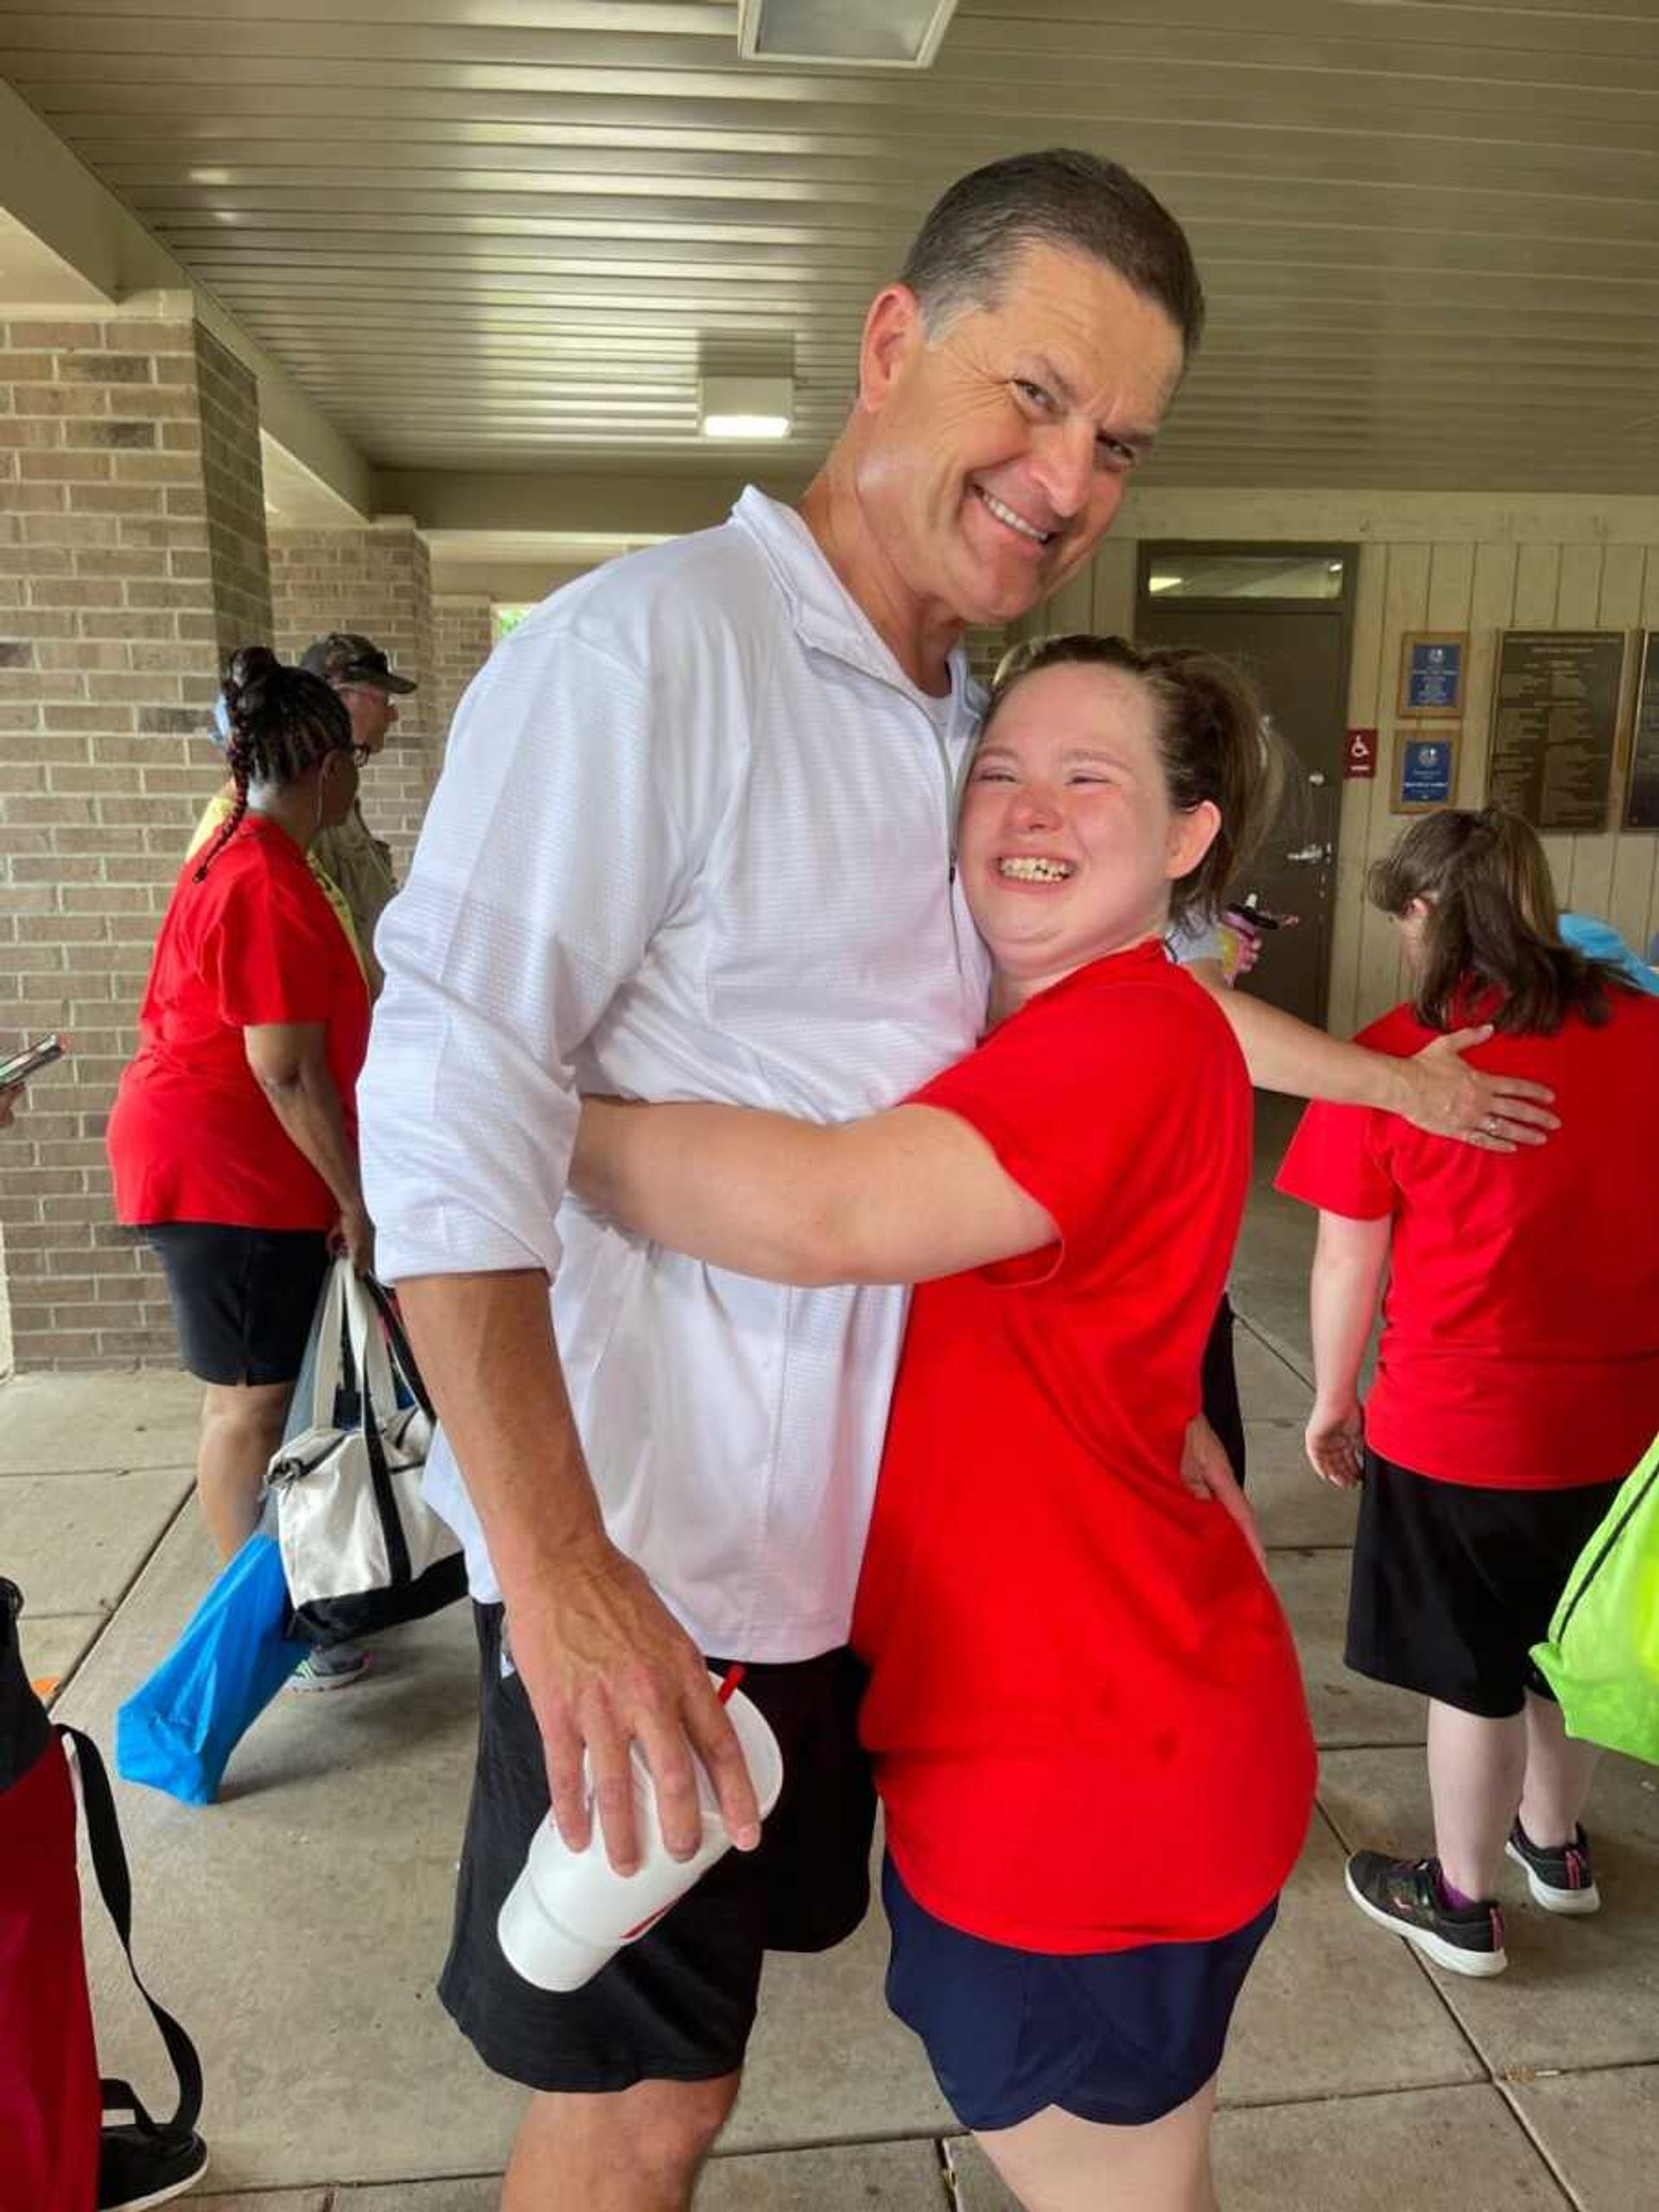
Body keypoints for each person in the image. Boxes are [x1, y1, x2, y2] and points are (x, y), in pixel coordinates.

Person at [359, 149, 1552, 2212]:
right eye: (1032, 392)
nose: (1069, 470)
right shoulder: (658, 650)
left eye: (1115, 440)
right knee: (633, 2102)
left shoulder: (961, 726)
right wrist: (555, 1571)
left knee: (705, 2084)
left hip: (862, 1599)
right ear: (893, 342)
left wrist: (1198, 1321)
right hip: (661, 1572)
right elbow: (449, 1082)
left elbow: (1117, 1020)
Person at [571, 634, 1318, 2211]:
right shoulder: (1060, 1032)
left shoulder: (1118, 1034)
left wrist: (520, 1107)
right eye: (999, 768)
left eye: (1087, 775)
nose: (1028, 806)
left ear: (1188, 839)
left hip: (1077, 1777)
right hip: (1120, 1724)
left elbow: (827, 1213)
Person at [1275, 809, 1659, 1976]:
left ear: (1429, 913)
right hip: (1624, 1427)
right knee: (1571, 1651)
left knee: (1474, 1674)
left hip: (1459, 1429)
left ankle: (1460, 1900)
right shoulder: (1647, 1029)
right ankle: (1558, 1849)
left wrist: (1332, 1400)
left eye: (1404, 912)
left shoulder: (1395, 1058)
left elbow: (1350, 1257)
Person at [107, 649, 375, 1607]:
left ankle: (271, 1598)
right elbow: (285, 1067)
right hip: (229, 1173)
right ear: (328, 765)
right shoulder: (261, 877)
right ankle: (252, 1619)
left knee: (250, 1392)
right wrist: (354, 1197)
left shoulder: (244, 853)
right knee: (250, 1402)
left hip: (217, 1161)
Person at [297, 631, 414, 995]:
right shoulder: (304, 798)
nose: (392, 713)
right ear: (341, 698)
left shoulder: (340, 792)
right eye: (383, 698)